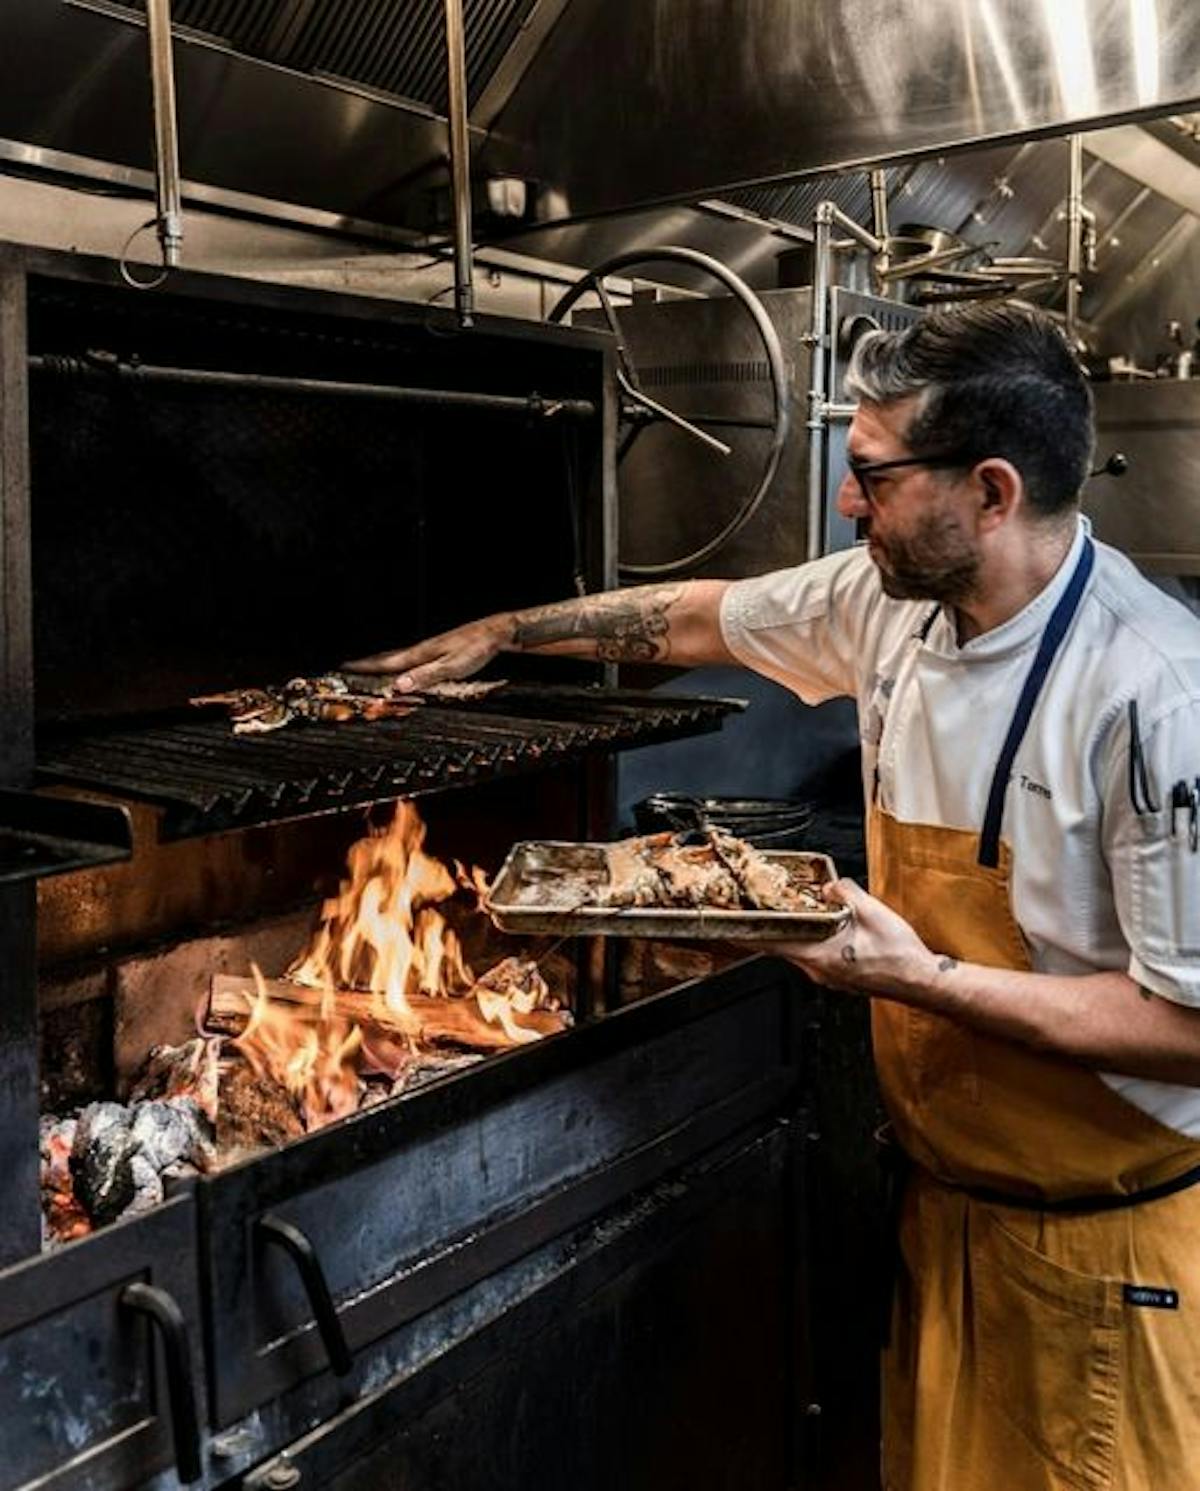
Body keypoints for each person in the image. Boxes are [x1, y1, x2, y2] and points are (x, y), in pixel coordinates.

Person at [347, 302, 1200, 1491]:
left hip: (1101, 1251)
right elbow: (704, 615)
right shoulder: (891, 602)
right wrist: (508, 630)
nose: (850, 508)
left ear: (991, 491)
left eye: (871, 477)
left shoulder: (1155, 694)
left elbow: (1188, 1032)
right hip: (942, 1205)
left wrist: (918, 977)